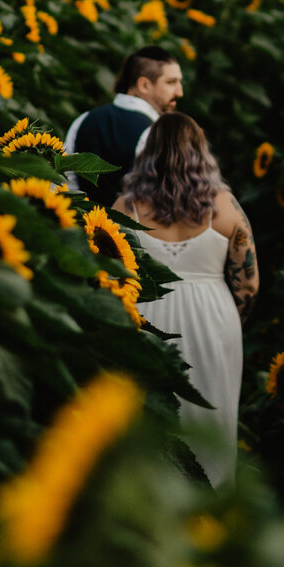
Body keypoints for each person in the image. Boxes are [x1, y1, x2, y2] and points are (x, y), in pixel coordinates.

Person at [114, 112, 258, 488]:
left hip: (149, 320)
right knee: (212, 417)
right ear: (201, 151)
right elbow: (249, 282)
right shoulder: (225, 205)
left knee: (153, 419)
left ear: (149, 154)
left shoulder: (126, 206)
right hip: (214, 318)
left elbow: (109, 275)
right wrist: (229, 325)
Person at [63, 47, 183, 207]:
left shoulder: (83, 120)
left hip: (82, 226)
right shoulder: (155, 134)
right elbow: (163, 203)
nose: (179, 92)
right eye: (171, 82)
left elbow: (65, 185)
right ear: (144, 85)